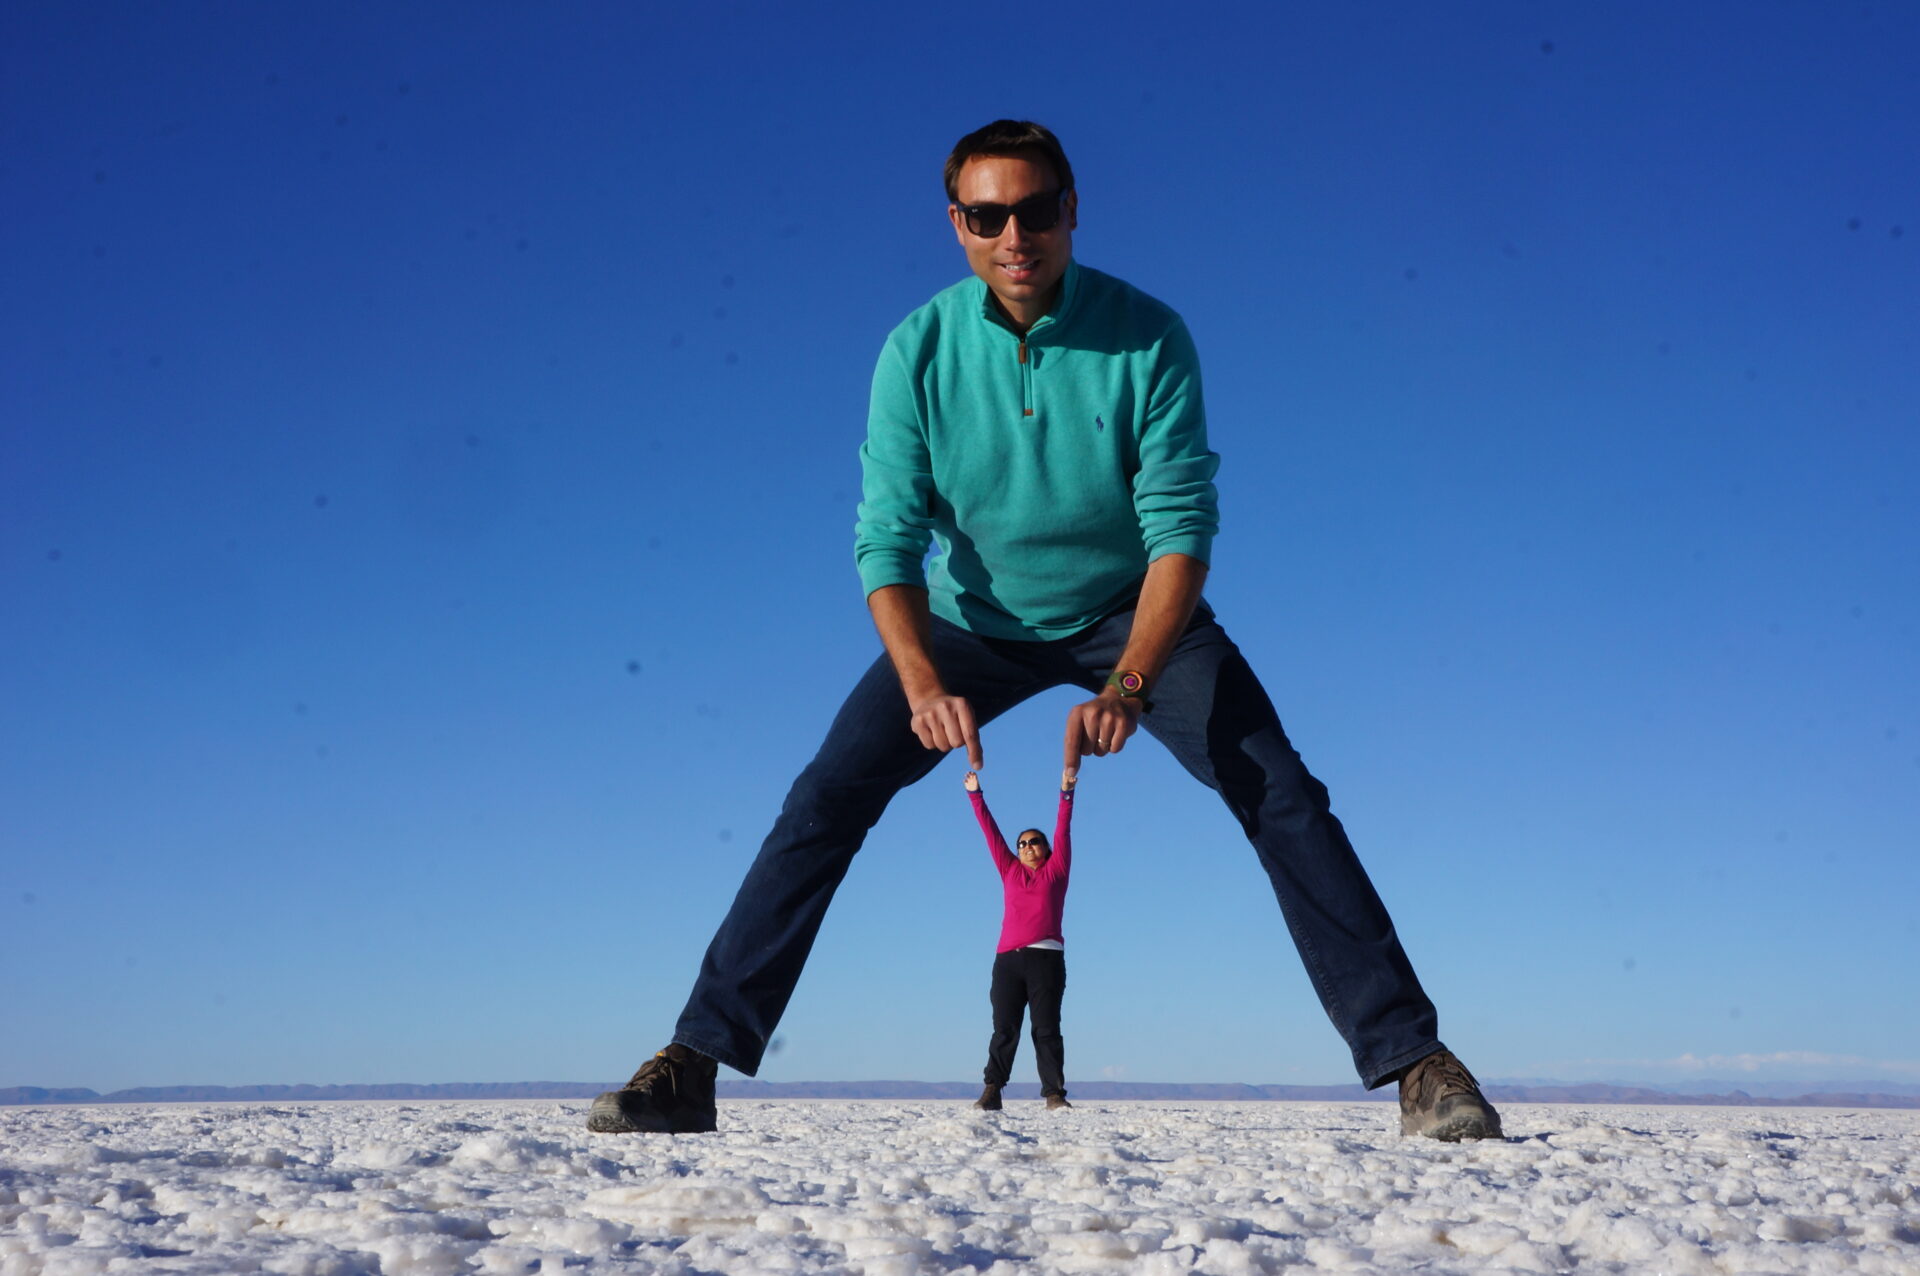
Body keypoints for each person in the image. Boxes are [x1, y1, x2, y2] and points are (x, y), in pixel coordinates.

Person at [588, 119, 1502, 1142]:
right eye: (989, 216)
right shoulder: (918, 352)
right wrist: (922, 679)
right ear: (959, 227)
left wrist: (1132, 683)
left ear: (1072, 211)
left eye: (1035, 210)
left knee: (1279, 789)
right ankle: (693, 1061)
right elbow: (884, 542)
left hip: (1132, 616)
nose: (1014, 235)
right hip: (972, 623)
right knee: (824, 798)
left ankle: (1417, 1059)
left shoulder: (1148, 336)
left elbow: (1181, 532)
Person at [966, 768, 1076, 1112]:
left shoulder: (1056, 870)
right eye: (1022, 843)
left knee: (1046, 1029)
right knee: (1004, 1029)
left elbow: (1063, 827)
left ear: (1045, 849)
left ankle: (1054, 1095)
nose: (1027, 847)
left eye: (1034, 841)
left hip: (1046, 958)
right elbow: (990, 833)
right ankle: (992, 1091)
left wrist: (1065, 793)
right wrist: (976, 794)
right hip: (1008, 961)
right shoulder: (1010, 870)